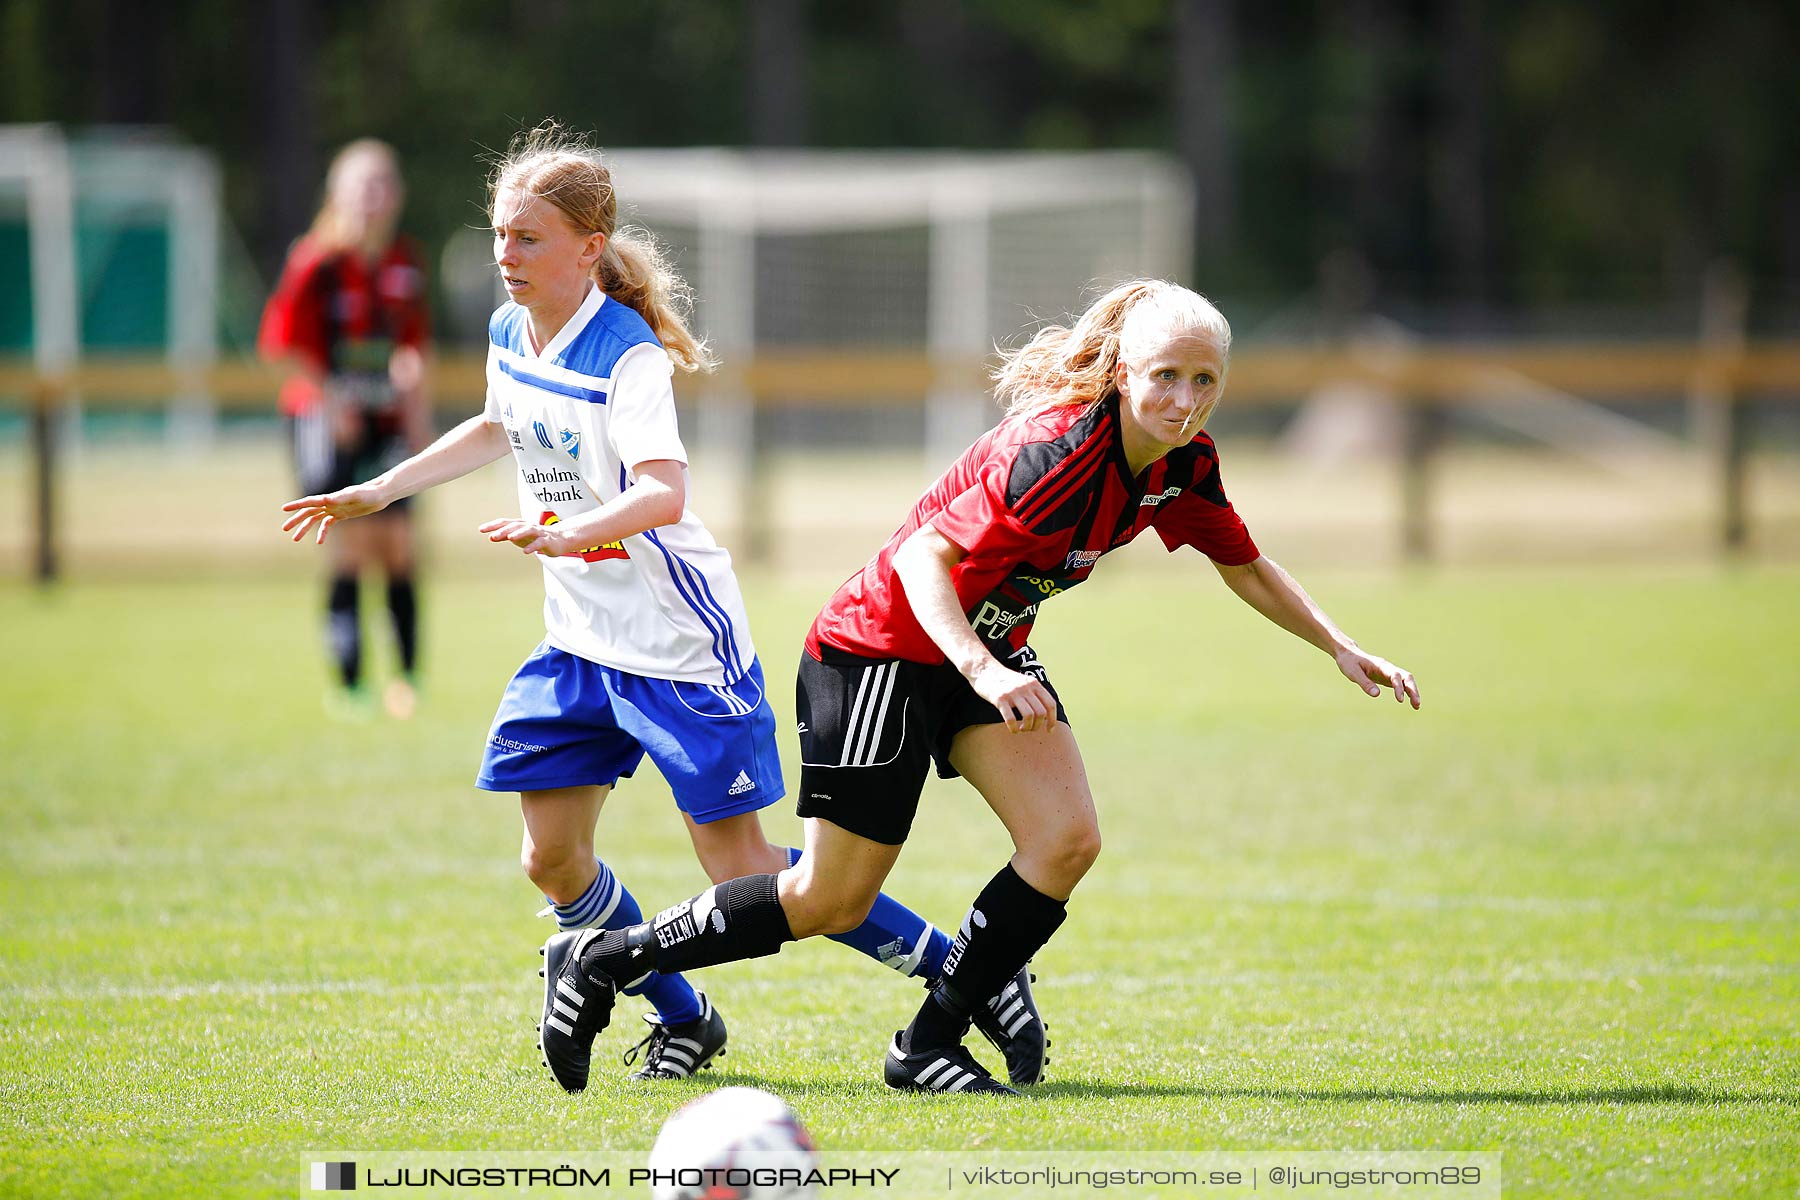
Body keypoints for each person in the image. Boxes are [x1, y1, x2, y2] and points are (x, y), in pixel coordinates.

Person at [280, 123, 1041, 1090]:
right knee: (552, 862)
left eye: (528, 239)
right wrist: (380, 490)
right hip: (579, 644)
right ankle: (686, 1018)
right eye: (500, 236)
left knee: (748, 874)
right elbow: (496, 424)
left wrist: (570, 531)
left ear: (589, 247)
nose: (504, 257)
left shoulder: (627, 354)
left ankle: (968, 974)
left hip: (675, 641)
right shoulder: (511, 329)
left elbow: (663, 493)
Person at [539, 279, 1422, 1095]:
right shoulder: (1057, 453)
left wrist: (1339, 645)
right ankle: (609, 960)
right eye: (1166, 376)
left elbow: (1245, 563)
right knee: (826, 899)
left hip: (978, 652)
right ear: (1123, 371)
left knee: (1066, 839)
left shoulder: (1182, 465)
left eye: (1205, 381)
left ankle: (926, 1042)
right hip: (878, 650)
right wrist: (982, 667)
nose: (1185, 401)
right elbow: (923, 555)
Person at [260, 138, 433, 720]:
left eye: (383, 184)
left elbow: (413, 349)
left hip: (385, 421)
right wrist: (333, 400)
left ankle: (407, 679)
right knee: (348, 549)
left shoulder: (404, 263)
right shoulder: (314, 263)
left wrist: (415, 405)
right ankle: (350, 683)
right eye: (362, 185)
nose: (373, 197)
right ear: (337, 194)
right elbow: (281, 347)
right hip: (324, 419)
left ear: (398, 195)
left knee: (400, 546)